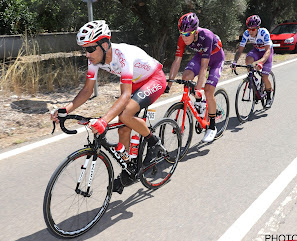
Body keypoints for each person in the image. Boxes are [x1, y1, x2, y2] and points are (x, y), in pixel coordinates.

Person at [50, 20, 166, 194]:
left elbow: (125, 95)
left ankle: (153, 142)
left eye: (90, 49)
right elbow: (87, 90)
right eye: (84, 49)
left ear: (104, 44)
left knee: (125, 116)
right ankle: (129, 169)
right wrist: (65, 110)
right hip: (135, 82)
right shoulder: (95, 59)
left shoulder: (122, 54)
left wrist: (104, 121)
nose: (87, 54)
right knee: (123, 130)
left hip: (153, 79)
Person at [166, 12, 225, 142]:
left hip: (216, 59)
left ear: (195, 31)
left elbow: (204, 67)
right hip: (200, 56)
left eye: (188, 34)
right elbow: (177, 62)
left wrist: (199, 88)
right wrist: (169, 84)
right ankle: (201, 102)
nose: (184, 37)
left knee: (208, 91)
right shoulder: (182, 38)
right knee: (186, 77)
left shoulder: (206, 36)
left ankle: (212, 127)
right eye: (181, 33)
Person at [231, 15, 273, 108]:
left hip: (266, 52)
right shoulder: (246, 33)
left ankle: (269, 97)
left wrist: (261, 62)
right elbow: (240, 49)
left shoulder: (264, 32)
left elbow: (268, 51)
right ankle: (254, 80)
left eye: (253, 29)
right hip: (257, 51)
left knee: (265, 77)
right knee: (248, 60)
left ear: (258, 28)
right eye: (249, 29)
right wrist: (234, 61)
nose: (250, 31)